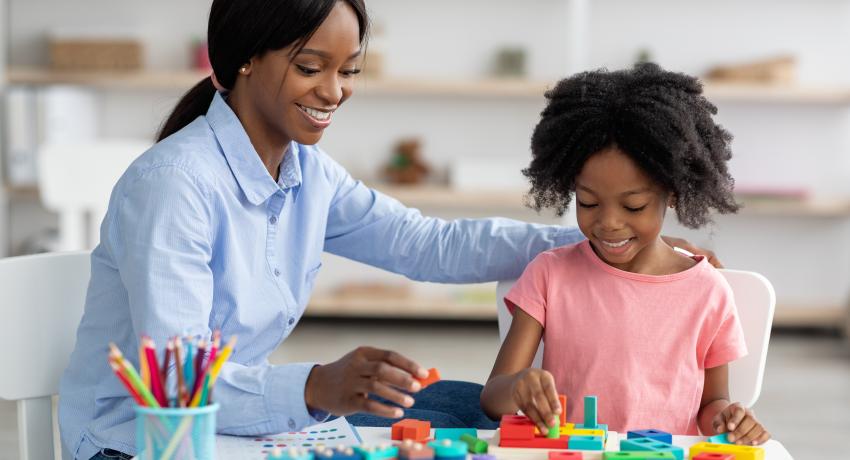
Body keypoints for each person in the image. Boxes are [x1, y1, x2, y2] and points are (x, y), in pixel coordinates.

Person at [57, 1, 718, 457]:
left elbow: (424, 244)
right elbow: (179, 384)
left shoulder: (305, 173)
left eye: (348, 71)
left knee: (465, 408)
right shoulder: (175, 186)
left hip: (235, 425)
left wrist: (598, 242)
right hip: (142, 441)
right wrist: (317, 385)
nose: (334, 91)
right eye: (311, 67)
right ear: (244, 60)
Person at [480, 63, 771, 446]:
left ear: (673, 193)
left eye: (633, 207)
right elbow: (492, 398)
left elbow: (711, 403)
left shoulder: (708, 291)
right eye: (588, 202)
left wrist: (729, 419)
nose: (609, 224)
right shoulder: (550, 274)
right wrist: (518, 387)